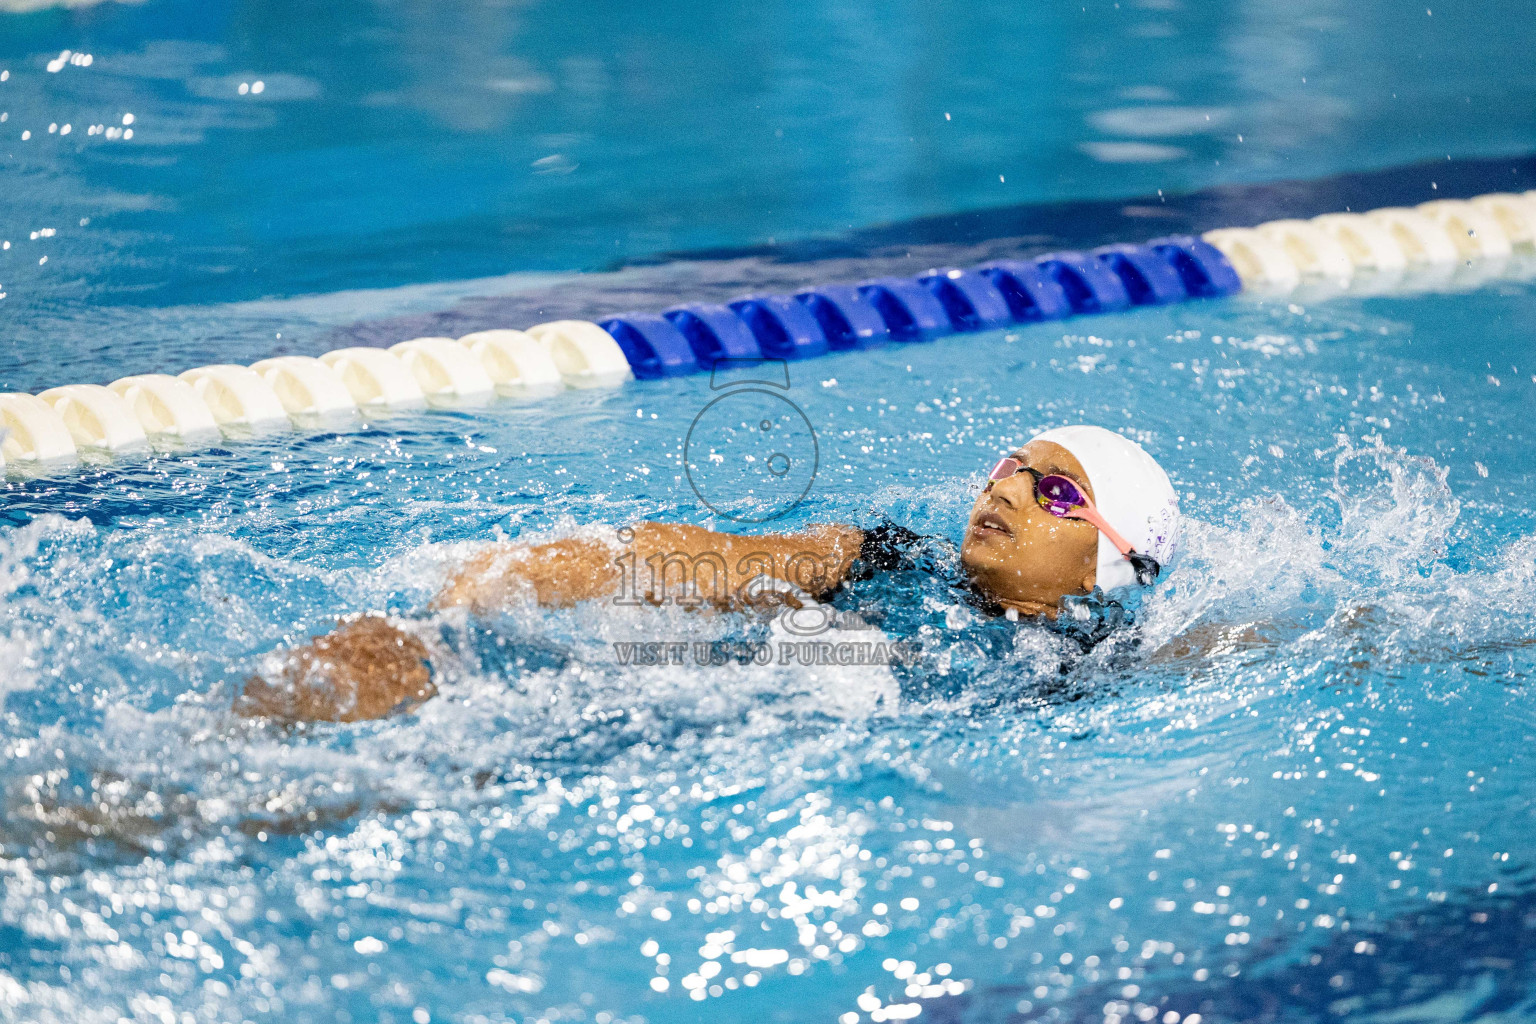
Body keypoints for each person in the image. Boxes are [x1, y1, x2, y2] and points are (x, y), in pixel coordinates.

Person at [235, 425, 1180, 723]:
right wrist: (529, 571)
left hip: (711, 731)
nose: (1010, 488)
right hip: (685, 680)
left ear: (1110, 560)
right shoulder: (885, 554)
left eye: (1055, 490)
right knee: (389, 650)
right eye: (1009, 466)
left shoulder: (1094, 661)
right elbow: (692, 559)